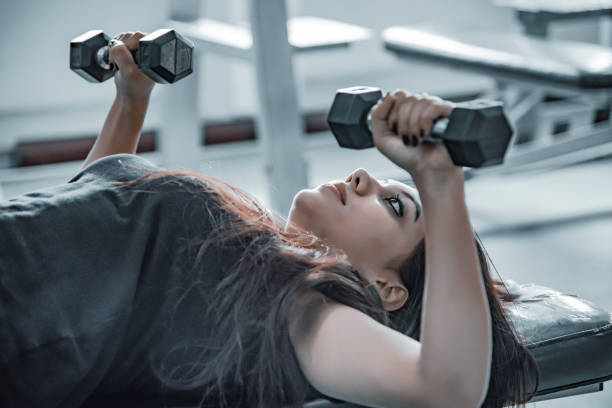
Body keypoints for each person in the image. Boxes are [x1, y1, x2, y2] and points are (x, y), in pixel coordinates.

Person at [0, 32, 539, 408]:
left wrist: (440, 182)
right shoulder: (243, 253)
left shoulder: (297, 305)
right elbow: (98, 218)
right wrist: (131, 100)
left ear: (385, 289)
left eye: (395, 204)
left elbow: (446, 388)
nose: (361, 177)